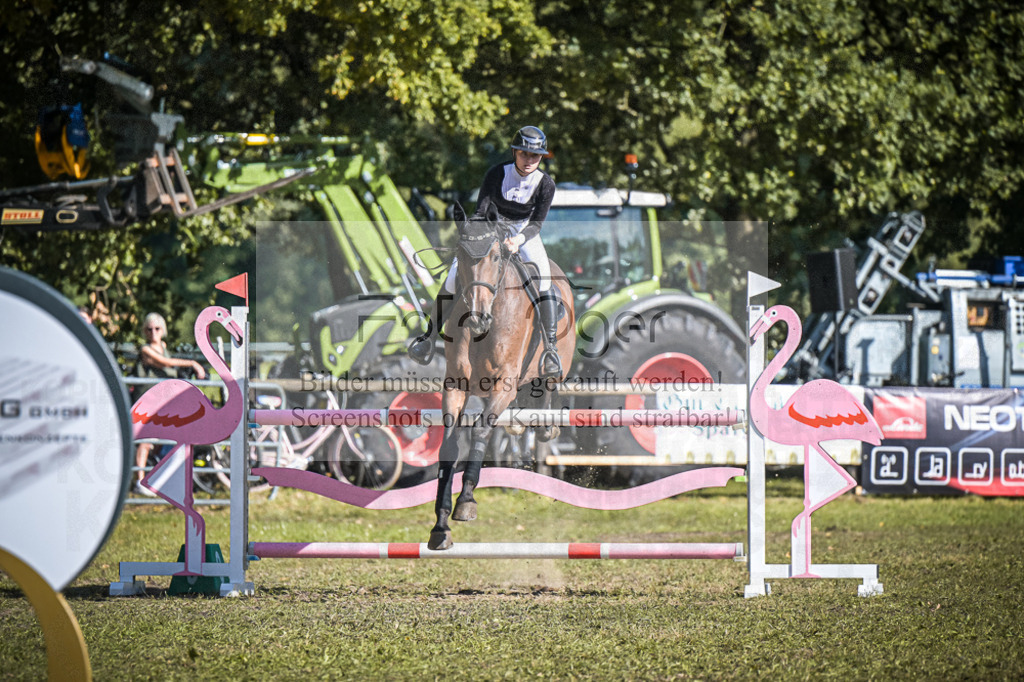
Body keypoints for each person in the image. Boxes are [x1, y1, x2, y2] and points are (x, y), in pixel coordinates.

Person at [408, 125, 562, 376]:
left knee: (544, 279)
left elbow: (536, 224)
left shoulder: (546, 184)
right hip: (491, 229)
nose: (529, 160)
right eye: (524, 154)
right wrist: (479, 236)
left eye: (534, 156)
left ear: (541, 158)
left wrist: (519, 240)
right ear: (515, 152)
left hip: (524, 232)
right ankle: (427, 338)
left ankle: (551, 350)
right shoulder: (496, 174)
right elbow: (481, 212)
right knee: (452, 277)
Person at [132, 312, 206, 495]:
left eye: (157, 328)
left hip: (164, 402)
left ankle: (162, 478)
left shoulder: (163, 346)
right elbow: (164, 363)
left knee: (169, 438)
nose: (153, 332)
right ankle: (139, 480)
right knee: (146, 441)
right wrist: (192, 363)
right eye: (149, 329)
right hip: (146, 402)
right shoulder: (145, 350)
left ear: (162, 330)